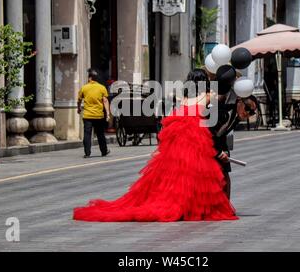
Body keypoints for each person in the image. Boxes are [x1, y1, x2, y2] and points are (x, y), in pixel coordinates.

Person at [73, 69, 238, 222]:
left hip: (179, 141)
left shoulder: (185, 99)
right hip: (197, 140)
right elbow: (218, 110)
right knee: (196, 178)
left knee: (178, 178)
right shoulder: (208, 96)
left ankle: (183, 206)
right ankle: (194, 207)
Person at [77, 68, 111, 158]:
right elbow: (105, 101)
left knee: (87, 134)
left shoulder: (84, 88)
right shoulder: (102, 88)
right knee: (100, 134)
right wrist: (107, 113)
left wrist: (78, 108)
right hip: (98, 116)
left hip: (87, 116)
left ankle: (87, 153)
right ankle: (104, 151)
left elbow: (79, 100)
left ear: (90, 78)